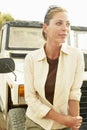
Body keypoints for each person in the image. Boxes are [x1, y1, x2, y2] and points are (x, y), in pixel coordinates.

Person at [24, 5, 84, 130]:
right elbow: (30, 98)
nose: (65, 29)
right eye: (59, 23)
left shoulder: (76, 55)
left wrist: (74, 123)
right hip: (38, 122)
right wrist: (61, 118)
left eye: (67, 24)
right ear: (45, 28)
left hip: (64, 125)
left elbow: (74, 93)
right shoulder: (31, 58)